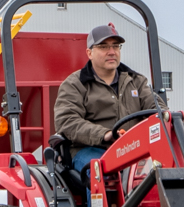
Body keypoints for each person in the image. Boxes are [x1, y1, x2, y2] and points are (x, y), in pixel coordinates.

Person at [54, 23, 163, 174]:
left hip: (136, 149)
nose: (112, 52)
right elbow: (67, 121)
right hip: (92, 150)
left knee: (165, 169)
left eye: (116, 46)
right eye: (104, 47)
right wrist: (104, 134)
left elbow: (157, 110)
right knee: (101, 172)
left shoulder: (136, 82)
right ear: (89, 52)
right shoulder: (75, 84)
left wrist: (168, 119)